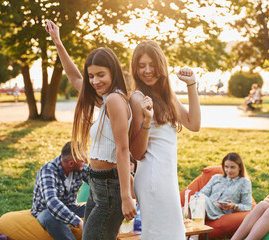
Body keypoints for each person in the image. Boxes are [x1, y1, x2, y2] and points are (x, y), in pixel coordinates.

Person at [46, 21, 136, 239]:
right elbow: (76, 77)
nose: (95, 81)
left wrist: (126, 196)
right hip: (96, 181)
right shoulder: (105, 99)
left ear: (113, 72)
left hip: (109, 186)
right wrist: (58, 41)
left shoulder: (114, 100)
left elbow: (123, 150)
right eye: (92, 76)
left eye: (100, 75)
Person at [129, 40, 201, 239]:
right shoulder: (137, 98)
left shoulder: (166, 96)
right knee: (166, 235)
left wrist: (191, 85)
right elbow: (136, 153)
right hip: (152, 178)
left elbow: (194, 124)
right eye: (142, 66)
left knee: (170, 234)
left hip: (167, 178)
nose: (147, 70)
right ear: (135, 69)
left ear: (161, 66)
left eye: (152, 65)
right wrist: (146, 120)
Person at [31, 141, 88, 240]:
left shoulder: (80, 167)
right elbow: (51, 202)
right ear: (71, 163)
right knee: (50, 217)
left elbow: (97, 181)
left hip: (70, 207)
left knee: (98, 206)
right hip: (45, 211)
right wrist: (78, 222)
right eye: (83, 161)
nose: (86, 162)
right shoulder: (48, 171)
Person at [199, 152, 252, 220]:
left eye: (232, 167)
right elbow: (201, 193)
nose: (229, 170)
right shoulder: (216, 178)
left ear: (240, 168)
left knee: (199, 204)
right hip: (206, 205)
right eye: (226, 167)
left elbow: (248, 206)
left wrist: (234, 206)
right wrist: (212, 203)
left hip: (219, 212)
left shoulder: (244, 182)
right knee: (198, 199)